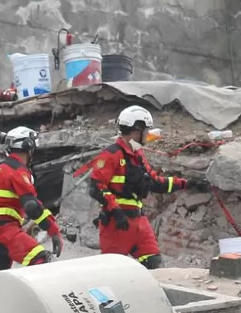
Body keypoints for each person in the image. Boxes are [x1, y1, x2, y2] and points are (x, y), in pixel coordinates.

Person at [87, 105, 207, 269]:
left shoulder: (138, 155)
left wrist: (186, 183)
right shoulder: (111, 155)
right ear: (137, 129)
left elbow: (154, 182)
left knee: (155, 266)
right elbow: (95, 186)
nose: (148, 134)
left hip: (139, 223)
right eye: (146, 130)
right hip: (117, 224)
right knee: (113, 273)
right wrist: (115, 210)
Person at [0, 126, 62, 271]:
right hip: (6, 231)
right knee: (41, 260)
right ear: (28, 147)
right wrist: (53, 230)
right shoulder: (17, 171)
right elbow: (32, 206)